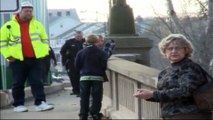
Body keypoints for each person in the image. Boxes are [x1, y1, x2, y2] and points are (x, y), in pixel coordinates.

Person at [133, 34, 211, 119]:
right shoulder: (164, 72)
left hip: (190, 115)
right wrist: (148, 95)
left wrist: (153, 94)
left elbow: (185, 91)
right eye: (170, 48)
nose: (174, 51)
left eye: (178, 48)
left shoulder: (190, 67)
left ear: (185, 50)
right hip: (170, 115)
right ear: (165, 52)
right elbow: (166, 95)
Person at [0, 1, 54, 112]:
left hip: (35, 59)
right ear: (19, 11)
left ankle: (40, 103)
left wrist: (43, 53)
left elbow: (45, 40)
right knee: (18, 83)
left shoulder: (37, 25)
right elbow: (2, 43)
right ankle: (18, 105)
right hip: (17, 60)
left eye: (30, 11)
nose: (28, 13)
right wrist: (8, 56)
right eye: (26, 11)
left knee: (37, 81)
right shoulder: (8, 26)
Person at [75, 34, 108, 120]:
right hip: (97, 77)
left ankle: (83, 115)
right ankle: (94, 113)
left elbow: (77, 65)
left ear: (86, 41)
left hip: (84, 77)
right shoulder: (101, 52)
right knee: (96, 96)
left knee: (84, 97)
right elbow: (104, 65)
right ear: (96, 41)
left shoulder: (81, 52)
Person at [60, 31, 85, 96]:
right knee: (73, 77)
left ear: (82, 36)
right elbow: (62, 51)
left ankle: (80, 91)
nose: (78, 38)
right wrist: (65, 59)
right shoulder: (69, 42)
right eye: (77, 36)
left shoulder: (84, 42)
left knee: (80, 76)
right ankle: (75, 90)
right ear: (75, 36)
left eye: (80, 36)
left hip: (82, 62)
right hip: (72, 62)